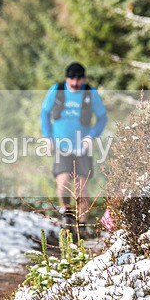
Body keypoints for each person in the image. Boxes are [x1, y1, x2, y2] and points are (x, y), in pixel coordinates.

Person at [40, 62, 107, 230]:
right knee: (62, 183)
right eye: (72, 81)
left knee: (81, 186)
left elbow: (102, 118)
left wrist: (91, 137)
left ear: (83, 79)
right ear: (67, 79)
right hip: (62, 145)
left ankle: (82, 224)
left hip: (82, 147)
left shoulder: (90, 93)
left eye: (78, 81)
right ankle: (67, 213)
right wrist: (48, 137)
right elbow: (45, 113)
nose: (75, 84)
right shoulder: (57, 90)